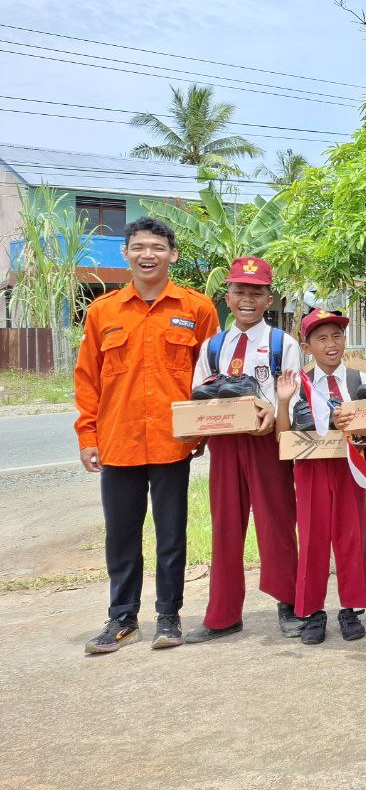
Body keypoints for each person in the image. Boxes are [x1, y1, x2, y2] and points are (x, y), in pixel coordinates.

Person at [76, 216, 219, 653]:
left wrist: (204, 431)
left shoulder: (197, 309)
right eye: (138, 246)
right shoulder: (104, 311)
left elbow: (212, 377)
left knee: (171, 533)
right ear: (126, 253)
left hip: (174, 442)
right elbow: (87, 378)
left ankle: (169, 617)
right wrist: (87, 436)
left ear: (172, 254)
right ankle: (122, 619)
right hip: (118, 441)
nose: (147, 254)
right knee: (121, 535)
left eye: (157, 247)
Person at [185, 256, 303, 644]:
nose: (247, 299)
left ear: (269, 298)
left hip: (266, 444)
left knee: (277, 523)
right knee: (224, 526)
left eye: (256, 292)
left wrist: (273, 409)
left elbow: (293, 391)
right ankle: (223, 614)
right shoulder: (214, 345)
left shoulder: (280, 343)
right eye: (240, 291)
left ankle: (289, 603)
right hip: (224, 444)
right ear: (228, 295)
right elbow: (201, 394)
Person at [275, 308, 366, 645]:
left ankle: (351, 608)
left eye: (337, 336)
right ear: (307, 345)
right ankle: (312, 610)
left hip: (349, 468)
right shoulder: (297, 384)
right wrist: (284, 402)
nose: (331, 344)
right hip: (311, 469)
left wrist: (361, 432)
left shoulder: (359, 381)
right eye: (321, 338)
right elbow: (283, 436)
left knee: (351, 537)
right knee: (314, 539)